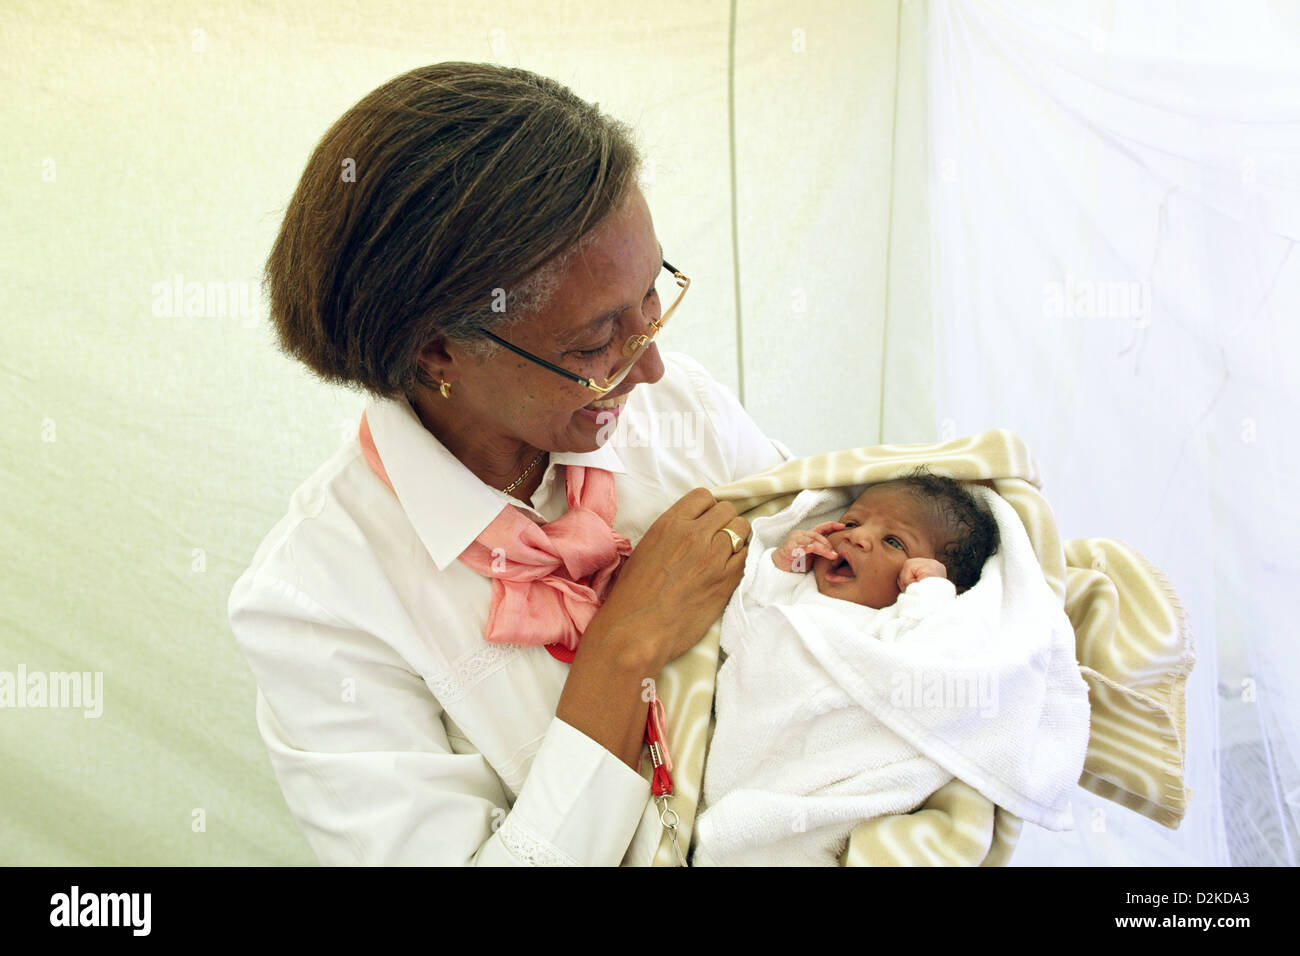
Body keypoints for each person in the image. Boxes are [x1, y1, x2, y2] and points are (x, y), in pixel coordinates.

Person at [227, 62, 791, 866]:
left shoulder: (674, 411)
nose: (652, 366)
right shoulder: (319, 605)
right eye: (597, 343)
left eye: (654, 295)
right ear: (436, 352)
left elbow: (836, 576)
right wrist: (624, 647)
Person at [694, 474, 1087, 865]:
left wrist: (929, 591)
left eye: (893, 542)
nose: (857, 537)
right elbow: (743, 625)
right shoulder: (802, 590)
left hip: (811, 783)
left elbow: (936, 656)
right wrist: (781, 565)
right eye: (851, 523)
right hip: (741, 753)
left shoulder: (896, 624)